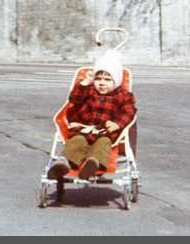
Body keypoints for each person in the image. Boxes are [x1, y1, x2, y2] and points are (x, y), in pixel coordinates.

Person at [47, 50, 137, 182]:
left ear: (116, 81)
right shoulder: (88, 90)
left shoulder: (123, 95)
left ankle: (92, 165)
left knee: (103, 144)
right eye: (98, 79)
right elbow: (74, 99)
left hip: (105, 132)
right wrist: (84, 83)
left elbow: (129, 112)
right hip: (83, 129)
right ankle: (64, 164)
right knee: (76, 142)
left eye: (107, 80)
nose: (101, 83)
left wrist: (118, 124)